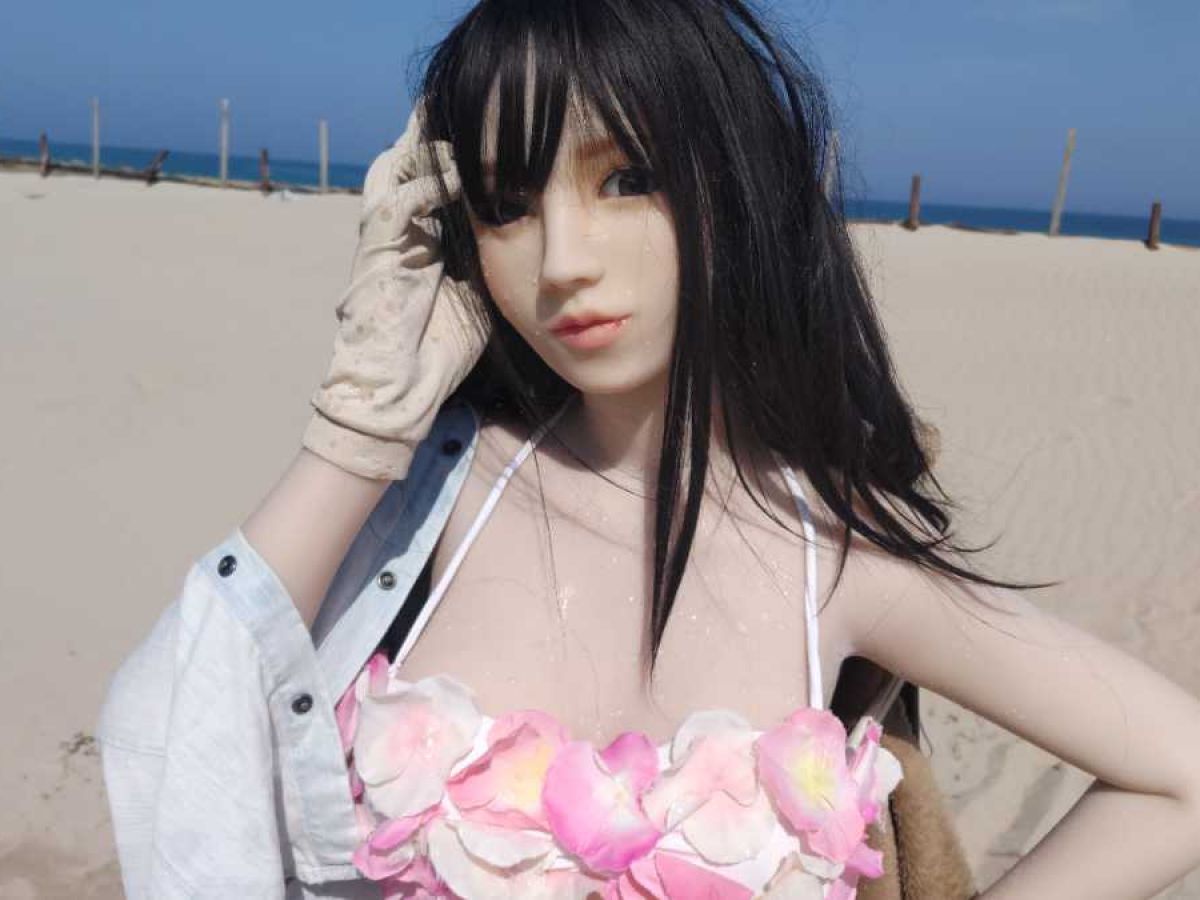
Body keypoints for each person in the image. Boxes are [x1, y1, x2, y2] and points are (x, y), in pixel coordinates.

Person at [97, 1, 1200, 898]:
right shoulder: (437, 494)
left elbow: (1180, 777)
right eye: (506, 203)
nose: (562, 261)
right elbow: (179, 732)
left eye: (625, 178)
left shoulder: (833, 552)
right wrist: (357, 427)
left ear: (737, 183)